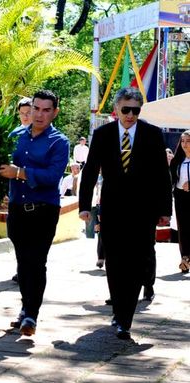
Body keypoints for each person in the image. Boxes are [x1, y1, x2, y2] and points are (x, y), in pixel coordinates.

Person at [79, 87, 171, 340]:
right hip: (112, 209)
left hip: (143, 210)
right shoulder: (103, 134)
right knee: (116, 262)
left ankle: (125, 318)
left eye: (136, 110)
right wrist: (84, 206)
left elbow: (162, 176)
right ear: (117, 108)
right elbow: (89, 172)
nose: (130, 115)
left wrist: (165, 210)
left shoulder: (152, 134)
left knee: (136, 262)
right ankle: (119, 310)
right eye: (126, 109)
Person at [0, 89, 69, 337]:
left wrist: (20, 173)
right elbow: (1, 165)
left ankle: (31, 315)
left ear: (55, 112)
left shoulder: (59, 142)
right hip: (17, 209)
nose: (39, 115)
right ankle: (26, 308)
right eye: (36, 109)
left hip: (44, 210)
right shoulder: (15, 136)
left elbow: (52, 177)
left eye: (46, 110)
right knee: (22, 262)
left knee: (36, 262)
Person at [9, 97, 33, 284]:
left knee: (30, 236)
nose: (25, 117)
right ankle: (21, 266)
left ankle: (27, 269)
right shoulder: (14, 134)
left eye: (28, 113)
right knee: (15, 234)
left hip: (34, 192)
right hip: (16, 191)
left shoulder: (42, 134)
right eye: (22, 113)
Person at [170, 130, 190, 274]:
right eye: (182, 141)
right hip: (180, 197)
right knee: (182, 228)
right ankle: (184, 258)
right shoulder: (178, 160)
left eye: (188, 141)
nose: (185, 144)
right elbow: (171, 178)